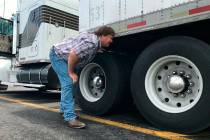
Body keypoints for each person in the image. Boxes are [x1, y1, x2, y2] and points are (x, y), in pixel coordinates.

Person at [49, 26, 115, 129]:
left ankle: (64, 110)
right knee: (68, 83)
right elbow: (73, 54)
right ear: (102, 35)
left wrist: (97, 49)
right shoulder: (91, 43)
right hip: (58, 56)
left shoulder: (95, 43)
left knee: (70, 84)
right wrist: (71, 72)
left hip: (64, 57)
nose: (111, 41)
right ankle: (70, 118)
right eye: (110, 37)